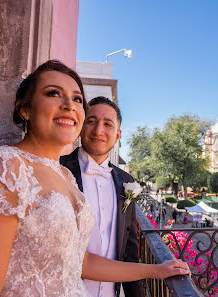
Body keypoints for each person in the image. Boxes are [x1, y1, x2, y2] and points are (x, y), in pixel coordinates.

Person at [0, 60, 190, 297]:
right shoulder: (2, 168)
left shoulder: (65, 177)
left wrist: (157, 270)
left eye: (77, 98)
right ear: (24, 108)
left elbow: (82, 262)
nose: (69, 104)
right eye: (53, 93)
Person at [60, 96, 143, 297]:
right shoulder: (57, 168)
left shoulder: (126, 181)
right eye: (91, 121)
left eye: (107, 124)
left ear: (117, 135)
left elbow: (129, 249)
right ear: (80, 126)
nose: (99, 131)